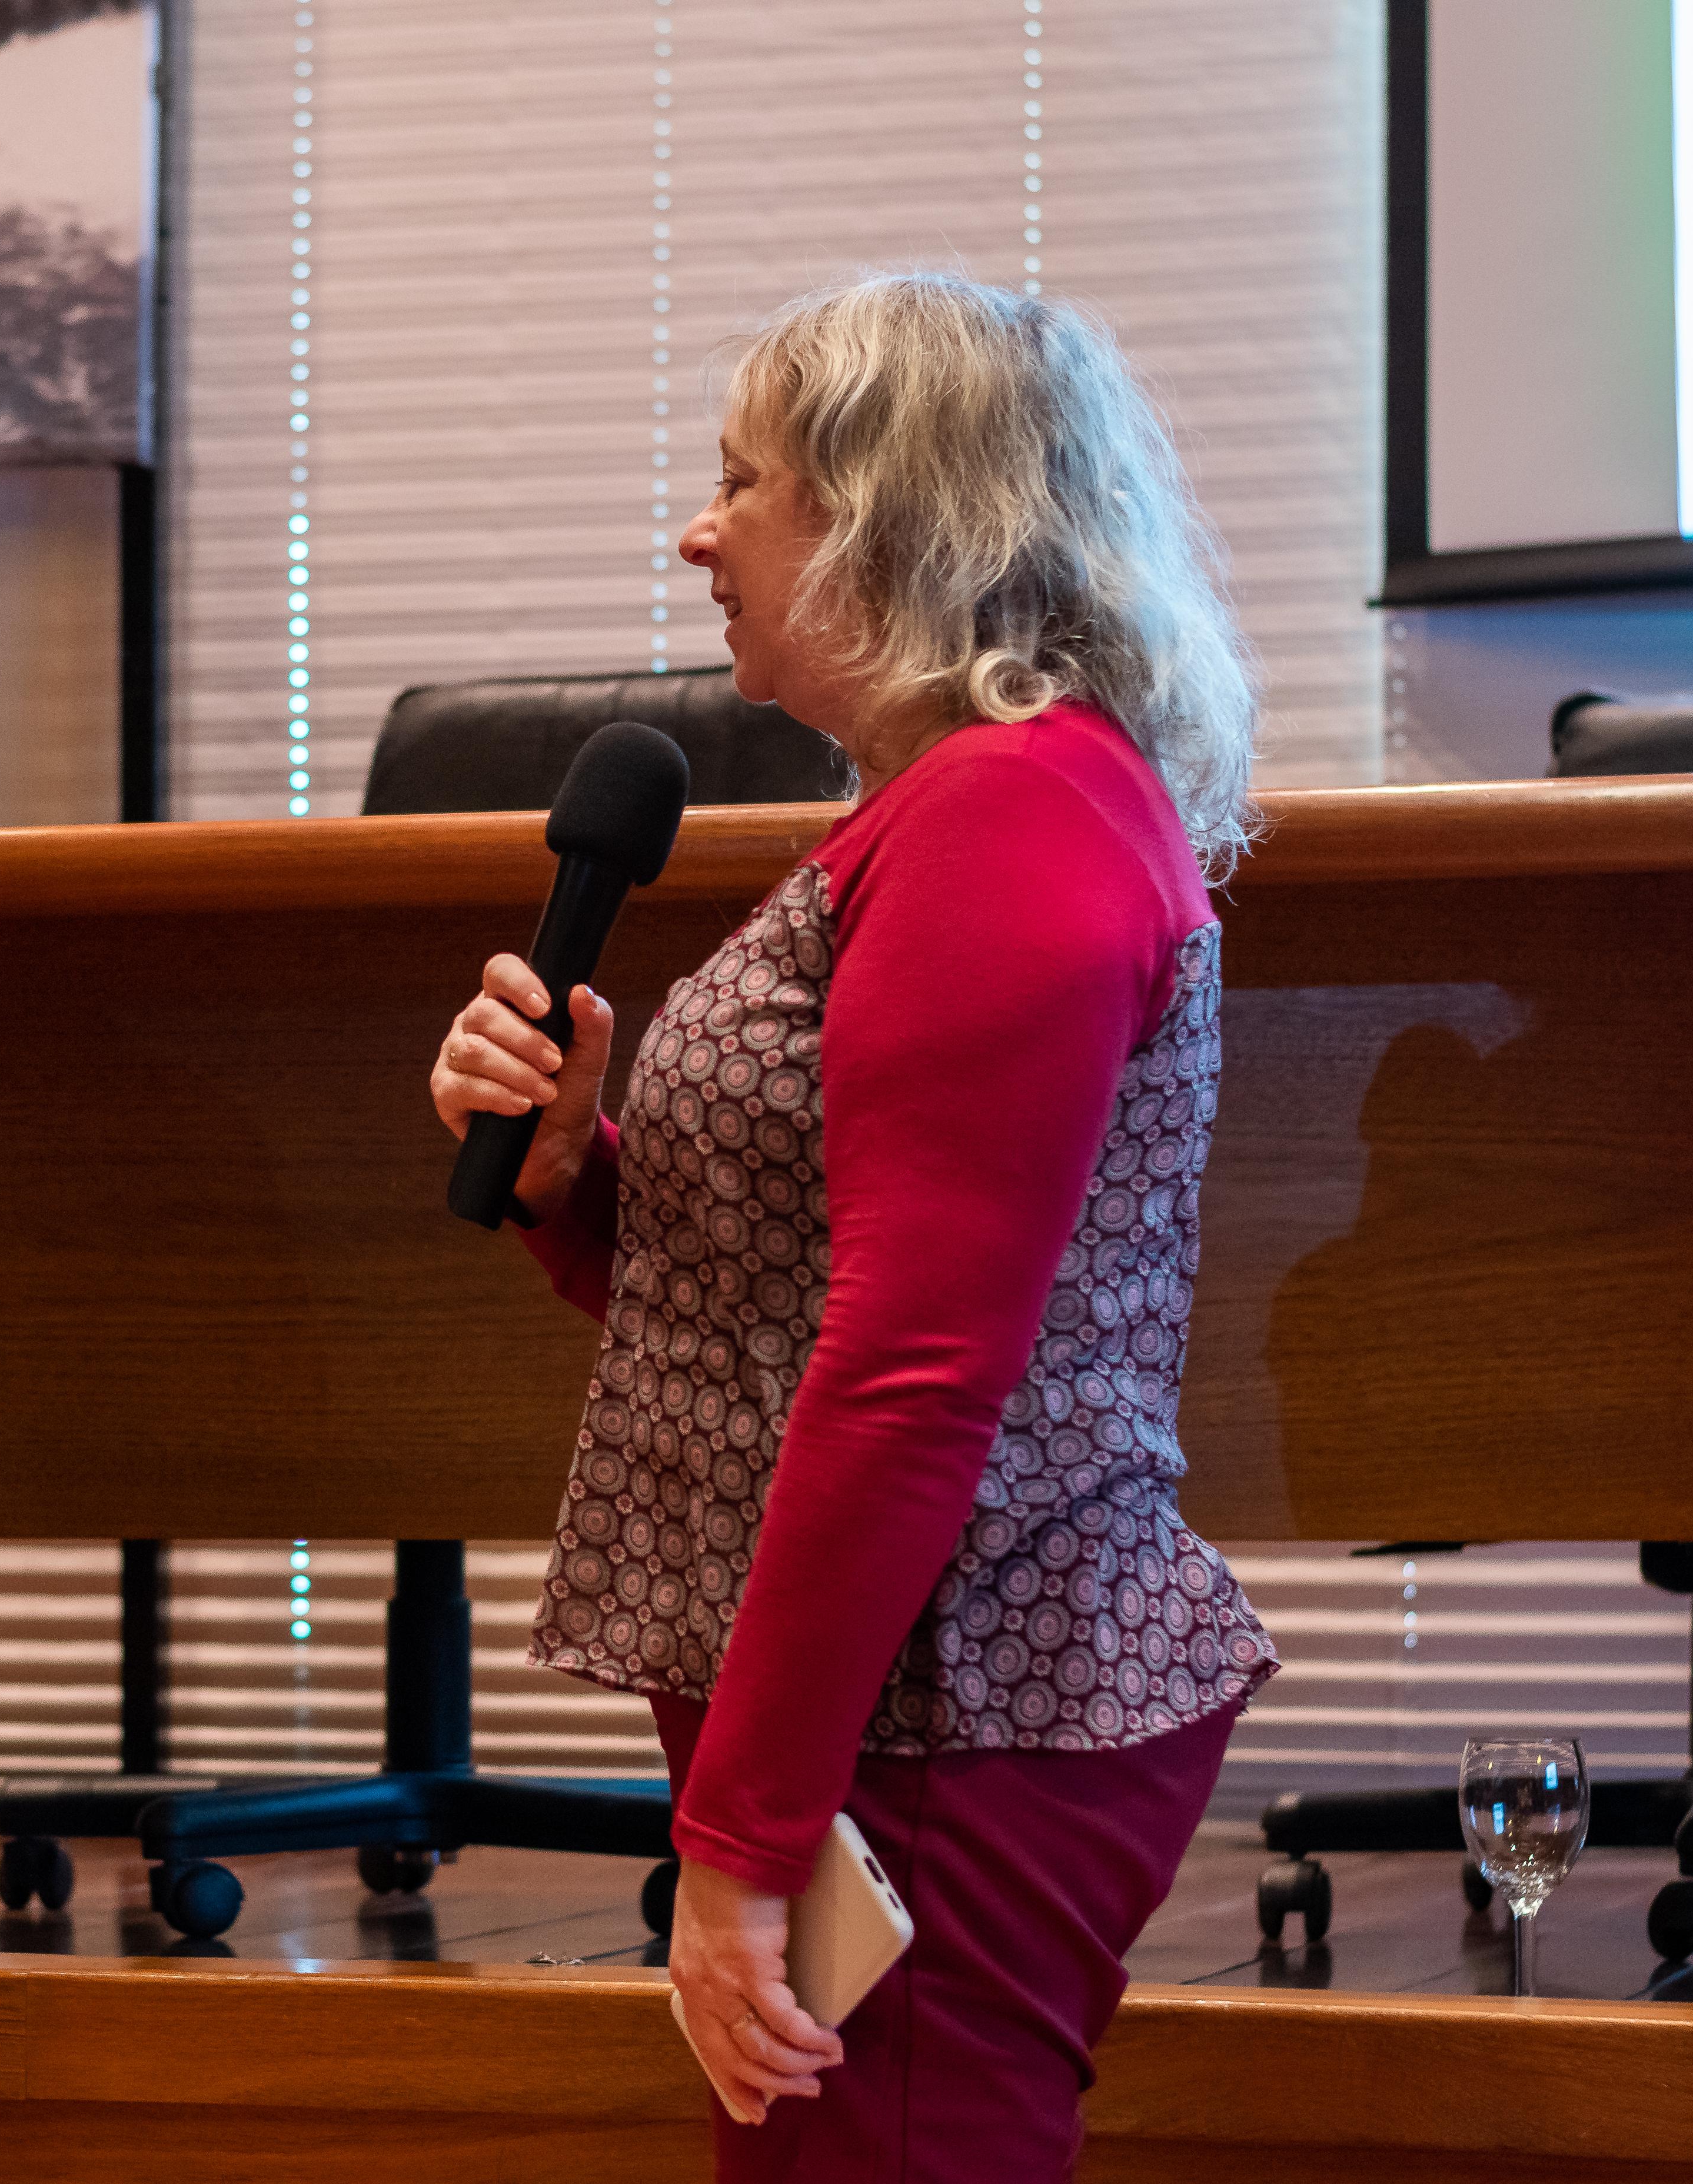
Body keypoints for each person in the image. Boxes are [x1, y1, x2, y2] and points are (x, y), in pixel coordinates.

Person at [428, 272, 1277, 2182]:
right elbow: (771, 1306)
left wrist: (737, 1847)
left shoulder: (1014, 816)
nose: (697, 528)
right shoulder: (952, 804)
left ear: (897, 516)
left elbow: (912, 1373)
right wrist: (576, 1172)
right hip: (897, 1709)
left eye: (746, 482)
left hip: (952, 1715)